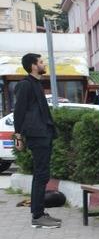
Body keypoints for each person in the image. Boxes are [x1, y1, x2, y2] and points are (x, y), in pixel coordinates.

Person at [13, 53, 61, 229]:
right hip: (37, 134)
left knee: (42, 174)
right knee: (41, 175)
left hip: (43, 134)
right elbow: (19, 111)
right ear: (33, 66)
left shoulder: (36, 84)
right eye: (41, 62)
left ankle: (39, 212)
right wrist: (18, 136)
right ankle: (37, 216)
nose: (43, 64)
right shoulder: (25, 85)